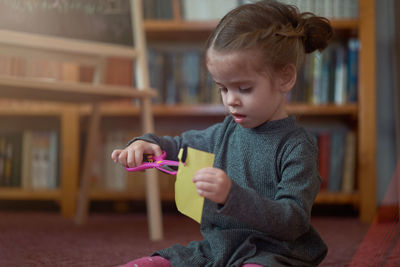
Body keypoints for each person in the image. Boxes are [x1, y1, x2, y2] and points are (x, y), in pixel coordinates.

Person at [111, 0, 332, 266]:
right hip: (219, 248)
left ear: (284, 78)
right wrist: (146, 144)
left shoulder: (297, 146)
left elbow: (293, 221)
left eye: (244, 88)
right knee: (154, 262)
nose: (231, 101)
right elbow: (177, 147)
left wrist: (232, 196)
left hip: (275, 251)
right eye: (223, 88)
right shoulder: (225, 131)